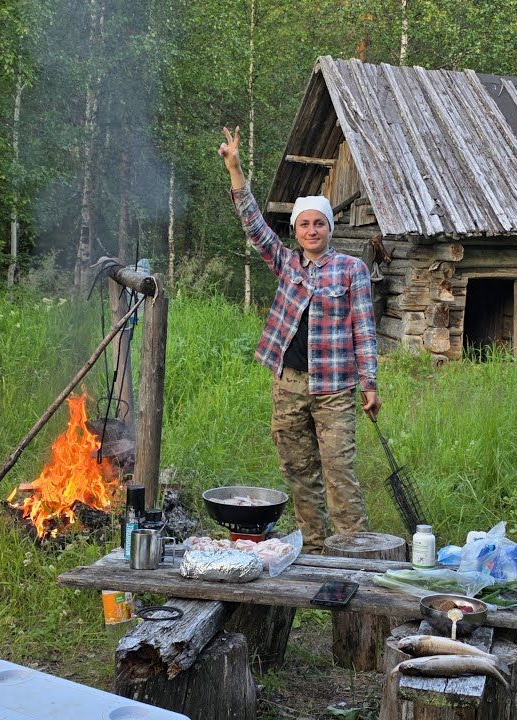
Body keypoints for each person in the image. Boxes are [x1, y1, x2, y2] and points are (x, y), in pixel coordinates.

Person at [218, 126, 380, 553]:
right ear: (296, 230)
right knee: (298, 468)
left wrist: (370, 383)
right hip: (288, 383)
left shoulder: (350, 269)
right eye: (305, 224)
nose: (312, 230)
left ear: (329, 228)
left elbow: (364, 329)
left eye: (319, 223)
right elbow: (254, 227)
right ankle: (313, 548)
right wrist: (236, 169)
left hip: (335, 388)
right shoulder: (287, 264)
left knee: (338, 468)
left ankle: (353, 550)